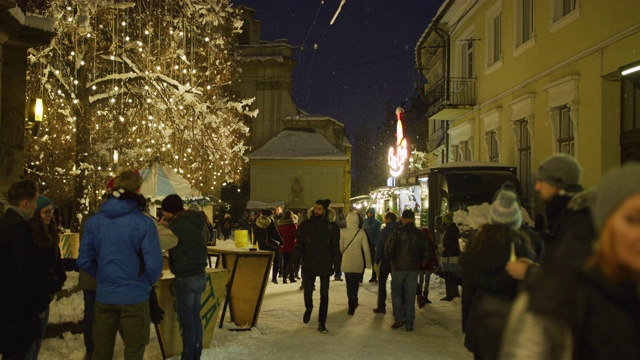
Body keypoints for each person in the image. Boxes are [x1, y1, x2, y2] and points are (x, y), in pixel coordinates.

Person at [500, 163, 640, 359]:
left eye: (543, 181)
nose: (537, 187)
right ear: (605, 224)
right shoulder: (563, 298)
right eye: (632, 219)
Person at [77, 170, 163, 360]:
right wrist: (143, 281)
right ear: (138, 190)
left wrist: (102, 276)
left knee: (101, 351)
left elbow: (83, 260)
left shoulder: (94, 222)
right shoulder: (144, 223)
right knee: (134, 350)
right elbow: (154, 265)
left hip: (105, 295)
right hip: (135, 296)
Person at [461, 189, 535, 360]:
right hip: (510, 323)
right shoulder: (521, 245)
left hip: (480, 321)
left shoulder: (475, 243)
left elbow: (467, 289)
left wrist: (467, 322)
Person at [506, 154, 594, 281]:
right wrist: (534, 267)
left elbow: (571, 279)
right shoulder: (563, 215)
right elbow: (560, 266)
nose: (537, 187)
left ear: (557, 183)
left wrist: (528, 272)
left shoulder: (578, 221)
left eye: (542, 181)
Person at [158, 194, 208, 360]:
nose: (163, 215)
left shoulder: (177, 226)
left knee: (187, 321)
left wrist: (166, 226)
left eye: (165, 211)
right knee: (194, 318)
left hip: (186, 276)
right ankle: (196, 353)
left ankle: (188, 356)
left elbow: (168, 239)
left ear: (172, 211)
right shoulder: (193, 220)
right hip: (199, 274)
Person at [0, 179, 40, 359]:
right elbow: (27, 270)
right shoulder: (19, 227)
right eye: (35, 201)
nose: (36, 206)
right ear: (25, 202)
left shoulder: (5, 222)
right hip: (16, 309)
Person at [27, 196, 67, 360]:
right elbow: (34, 269)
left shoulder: (50, 233)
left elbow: (55, 261)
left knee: (36, 346)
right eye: (46, 211)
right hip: (34, 300)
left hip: (45, 297)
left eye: (51, 211)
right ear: (37, 214)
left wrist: (60, 276)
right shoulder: (31, 236)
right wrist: (52, 282)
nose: (50, 215)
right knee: (29, 346)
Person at [294, 199, 341, 333]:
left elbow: (335, 248)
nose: (316, 211)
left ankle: (322, 322)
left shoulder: (331, 227)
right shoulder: (305, 225)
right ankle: (309, 308)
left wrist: (337, 265)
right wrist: (296, 261)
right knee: (308, 293)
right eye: (315, 208)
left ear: (325, 211)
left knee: (324, 295)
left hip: (325, 263)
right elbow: (300, 245)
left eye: (319, 209)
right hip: (309, 262)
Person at [385, 209, 433, 331]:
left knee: (396, 293)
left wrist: (391, 260)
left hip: (398, 268)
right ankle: (409, 323)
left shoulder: (397, 232)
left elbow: (389, 249)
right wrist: (422, 260)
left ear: (403, 219)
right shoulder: (419, 233)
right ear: (413, 219)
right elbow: (428, 250)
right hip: (413, 268)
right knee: (410, 295)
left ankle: (399, 318)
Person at [339, 212, 372, 315]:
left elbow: (341, 248)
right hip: (358, 261)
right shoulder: (361, 232)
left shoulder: (343, 232)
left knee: (349, 284)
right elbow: (366, 249)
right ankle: (355, 299)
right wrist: (368, 264)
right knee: (356, 283)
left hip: (347, 261)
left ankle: (351, 304)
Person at [372, 212, 401, 314]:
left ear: (388, 219)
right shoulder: (400, 230)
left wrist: (376, 261)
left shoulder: (384, 231)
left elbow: (380, 246)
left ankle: (381, 306)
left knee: (382, 283)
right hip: (397, 260)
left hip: (385, 260)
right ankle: (398, 307)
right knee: (397, 284)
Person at [253, 209, 283, 284]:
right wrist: (281, 242)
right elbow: (275, 233)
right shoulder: (270, 221)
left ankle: (262, 276)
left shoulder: (257, 221)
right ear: (270, 215)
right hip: (269, 243)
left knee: (264, 261)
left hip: (261, 244)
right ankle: (274, 278)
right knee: (276, 259)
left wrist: (255, 241)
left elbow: (255, 232)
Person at [440, 212, 461, 301]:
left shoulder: (449, 231)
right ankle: (455, 293)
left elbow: (447, 244)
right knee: (453, 275)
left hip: (448, 256)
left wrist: (439, 247)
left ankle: (449, 295)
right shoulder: (454, 229)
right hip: (454, 255)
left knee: (448, 275)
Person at [417, 227, 438, 307]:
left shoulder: (419, 242)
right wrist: (435, 264)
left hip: (421, 265)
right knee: (427, 281)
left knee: (421, 280)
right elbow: (433, 254)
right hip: (428, 264)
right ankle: (425, 296)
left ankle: (420, 295)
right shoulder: (430, 241)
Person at [277, 210, 298, 284]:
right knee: (291, 262)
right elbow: (296, 234)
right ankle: (291, 277)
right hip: (291, 244)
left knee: (284, 262)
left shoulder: (281, 225)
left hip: (283, 244)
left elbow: (279, 235)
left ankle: (284, 278)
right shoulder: (293, 225)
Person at [363, 208, 381, 283]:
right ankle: (360, 277)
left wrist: (375, 243)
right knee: (363, 260)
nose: (369, 214)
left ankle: (374, 276)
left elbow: (378, 233)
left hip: (373, 243)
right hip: (364, 242)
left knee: (374, 260)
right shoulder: (364, 221)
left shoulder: (377, 222)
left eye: (371, 213)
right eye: (368, 213)